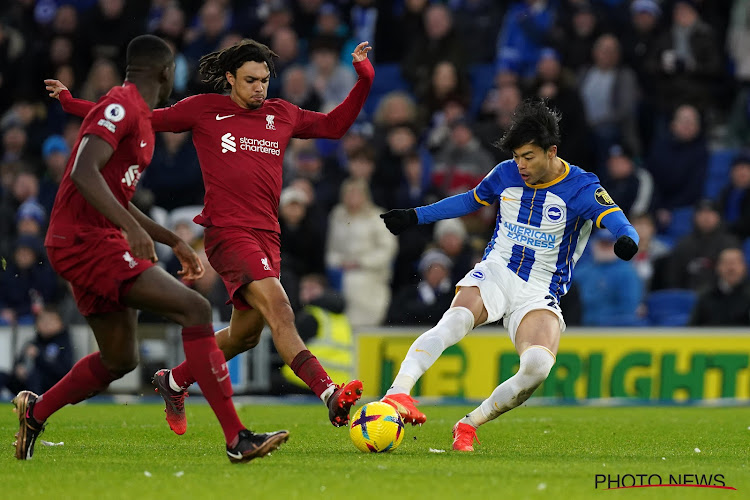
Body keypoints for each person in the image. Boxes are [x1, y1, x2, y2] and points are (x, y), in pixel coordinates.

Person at [46, 38, 374, 431]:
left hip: (268, 234)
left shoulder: (282, 114)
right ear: (230, 79)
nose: (259, 88)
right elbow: (140, 116)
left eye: (265, 80)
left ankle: (174, 380)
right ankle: (329, 393)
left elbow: (334, 126)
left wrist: (364, 79)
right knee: (280, 309)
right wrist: (72, 106)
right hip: (228, 232)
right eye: (251, 80)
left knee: (244, 335)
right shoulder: (204, 110)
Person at [14, 35, 289, 463]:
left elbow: (111, 192)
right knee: (195, 310)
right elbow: (85, 173)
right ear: (164, 73)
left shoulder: (139, 118)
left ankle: (36, 410)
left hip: (97, 240)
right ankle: (237, 438)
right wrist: (131, 229)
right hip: (85, 241)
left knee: (118, 359)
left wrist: (172, 239)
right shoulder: (119, 106)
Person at [377, 99, 639, 451]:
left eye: (528, 156)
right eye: (517, 156)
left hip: (540, 290)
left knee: (538, 366)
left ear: (551, 151)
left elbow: (620, 222)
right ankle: (398, 395)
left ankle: (469, 424)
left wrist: (626, 240)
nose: (521, 165)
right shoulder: (505, 174)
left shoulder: (581, 187)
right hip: (498, 271)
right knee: (456, 318)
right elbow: (470, 201)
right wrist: (415, 216)